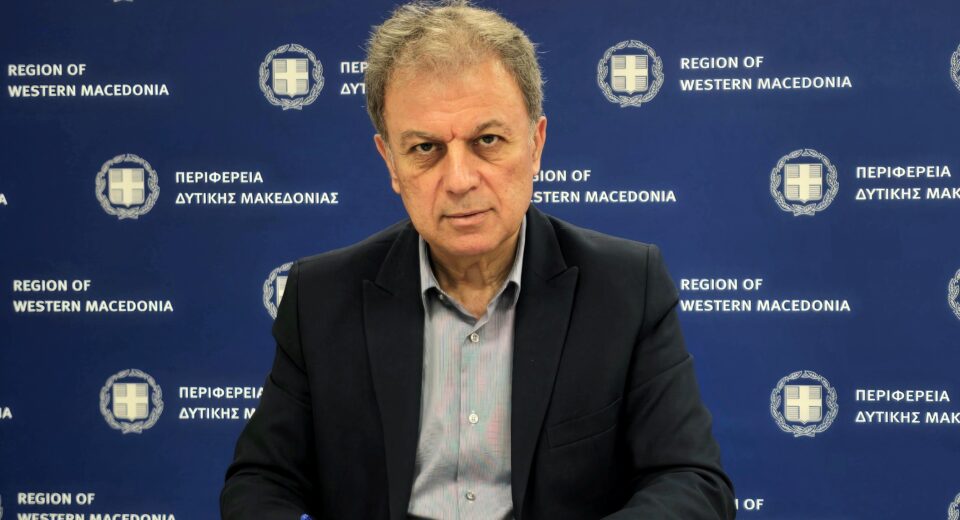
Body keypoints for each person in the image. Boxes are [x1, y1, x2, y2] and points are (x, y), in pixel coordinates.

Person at [221, 1, 735, 519]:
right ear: (391, 162)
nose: (460, 180)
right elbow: (261, 483)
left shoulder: (625, 288)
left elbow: (690, 480)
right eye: (426, 148)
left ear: (535, 145)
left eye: (487, 140)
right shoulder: (320, 298)